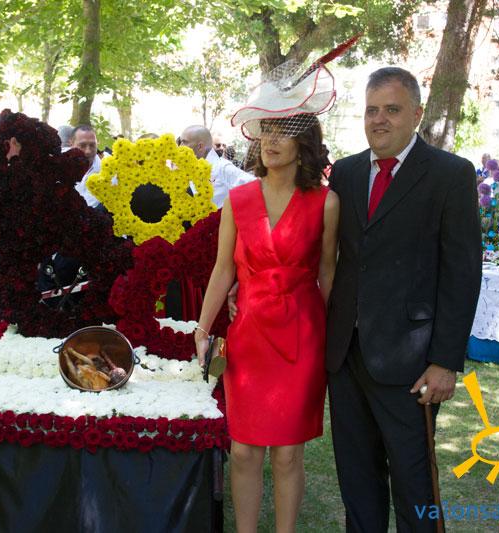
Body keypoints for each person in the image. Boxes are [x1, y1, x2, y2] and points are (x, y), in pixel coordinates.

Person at [325, 67, 481, 532]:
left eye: (391, 110)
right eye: (371, 110)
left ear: (416, 113)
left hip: (411, 360)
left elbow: (461, 274)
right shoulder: (346, 173)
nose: (379, 120)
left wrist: (445, 361)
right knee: (357, 478)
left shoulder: (451, 174)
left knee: (414, 482)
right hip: (346, 354)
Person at [196, 55, 340, 531]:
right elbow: (222, 270)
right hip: (250, 335)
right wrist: (203, 328)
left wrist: (334, 339)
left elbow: (328, 276)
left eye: (283, 132)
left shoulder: (326, 203)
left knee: (288, 454)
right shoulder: (237, 200)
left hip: (303, 336)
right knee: (242, 451)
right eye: (266, 131)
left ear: (304, 143)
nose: (271, 141)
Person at [179, 125, 255, 208]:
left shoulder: (222, 167)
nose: (180, 146)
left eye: (184, 142)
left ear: (200, 146)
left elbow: (254, 185)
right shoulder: (191, 170)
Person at [69, 124, 102, 207]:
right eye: (82, 146)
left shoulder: (108, 173)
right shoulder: (59, 169)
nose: (88, 151)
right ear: (71, 144)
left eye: (92, 145)